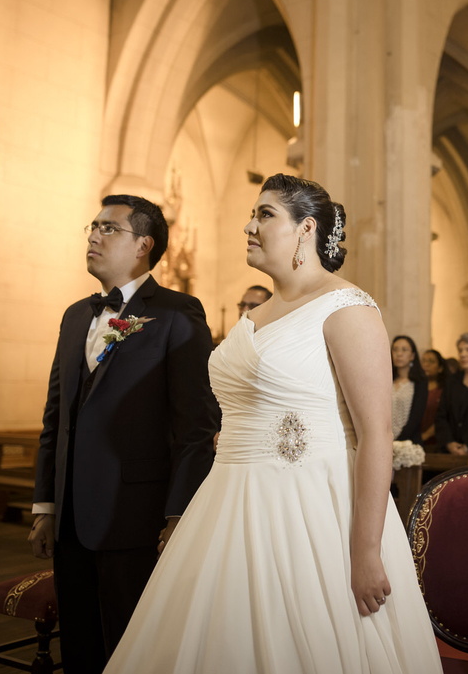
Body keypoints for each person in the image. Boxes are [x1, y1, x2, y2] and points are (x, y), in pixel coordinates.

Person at [104, 174, 441, 673]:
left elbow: (376, 434)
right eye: (253, 214)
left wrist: (367, 550)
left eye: (265, 215)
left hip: (310, 511)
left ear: (306, 229)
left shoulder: (347, 308)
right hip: (227, 500)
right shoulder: (257, 314)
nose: (249, 225)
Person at [28, 195, 220, 673]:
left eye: (108, 228)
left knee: (131, 645)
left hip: (138, 515)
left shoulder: (178, 313)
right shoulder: (76, 315)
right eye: (92, 226)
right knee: (79, 646)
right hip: (70, 515)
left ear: (143, 245)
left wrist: (179, 514)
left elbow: (196, 425)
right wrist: (45, 505)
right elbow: (57, 415)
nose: (93, 235)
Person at [391, 335, 427, 443]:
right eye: (395, 349)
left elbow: (416, 416)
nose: (399, 354)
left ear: (412, 355)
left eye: (404, 350)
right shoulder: (386, 380)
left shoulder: (419, 381)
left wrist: (399, 440)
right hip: (386, 440)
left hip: (409, 442)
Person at [420, 349, 447, 446]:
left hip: (437, 441)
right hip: (416, 439)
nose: (426, 364)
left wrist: (426, 435)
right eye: (423, 361)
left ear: (440, 368)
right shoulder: (416, 388)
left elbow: (444, 417)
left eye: (431, 361)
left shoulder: (444, 390)